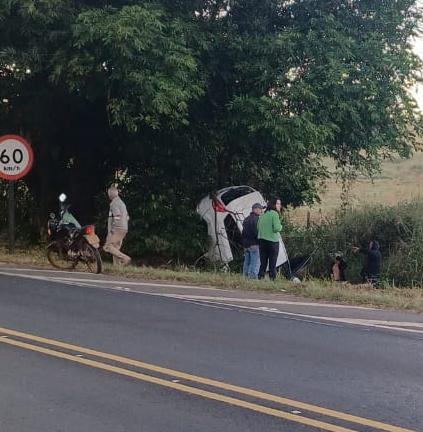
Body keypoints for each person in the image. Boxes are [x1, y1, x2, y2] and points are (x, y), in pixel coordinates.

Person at [103, 184, 131, 266]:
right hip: (124, 228)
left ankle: (125, 258)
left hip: (117, 228)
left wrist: (113, 230)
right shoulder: (122, 203)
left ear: (111, 194)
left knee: (108, 246)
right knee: (115, 248)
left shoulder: (114, 203)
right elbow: (127, 217)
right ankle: (117, 267)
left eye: (109, 193)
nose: (108, 195)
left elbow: (117, 216)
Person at [257, 198, 282, 280]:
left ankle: (260, 278)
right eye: (278, 204)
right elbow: (276, 228)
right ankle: (272, 280)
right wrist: (281, 226)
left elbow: (258, 227)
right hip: (272, 241)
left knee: (263, 263)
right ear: (274, 205)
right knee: (272, 264)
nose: (280, 206)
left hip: (262, 241)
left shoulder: (262, 215)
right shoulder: (274, 214)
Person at [242, 203, 263, 279]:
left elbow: (243, 233)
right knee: (255, 262)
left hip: (246, 244)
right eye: (260, 209)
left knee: (247, 262)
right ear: (255, 209)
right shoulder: (257, 219)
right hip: (254, 244)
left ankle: (245, 277)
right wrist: (260, 241)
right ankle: (253, 278)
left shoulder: (246, 219)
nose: (261, 211)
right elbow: (257, 232)